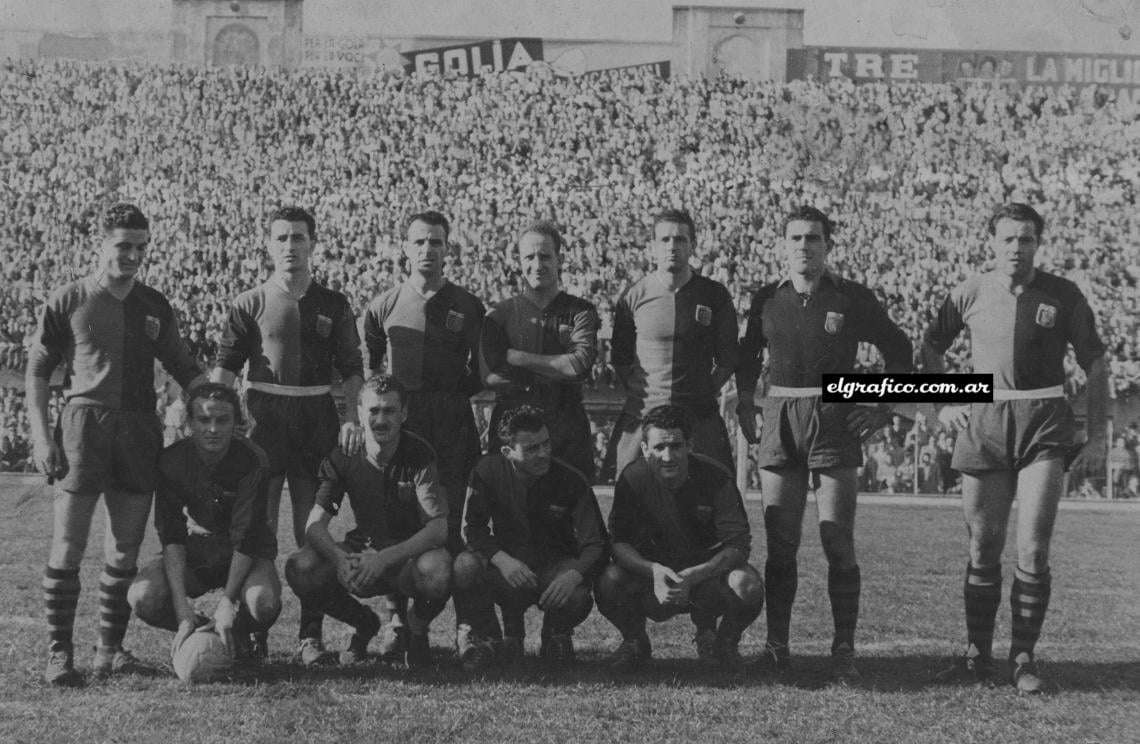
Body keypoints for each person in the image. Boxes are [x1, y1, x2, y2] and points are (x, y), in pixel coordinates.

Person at [923, 203, 1107, 693]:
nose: (1016, 248)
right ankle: (976, 656)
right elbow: (929, 348)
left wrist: (1100, 434)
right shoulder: (970, 291)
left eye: (1025, 239)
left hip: (1044, 419)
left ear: (1037, 244)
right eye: (1008, 239)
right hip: (985, 416)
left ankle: (1023, 656)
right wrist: (943, 404)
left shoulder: (1063, 295)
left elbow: (1096, 362)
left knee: (1033, 544)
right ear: (992, 242)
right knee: (983, 544)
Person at [26, 202, 206, 685]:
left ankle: (110, 650)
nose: (132, 256)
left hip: (138, 429)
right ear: (101, 244)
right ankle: (60, 654)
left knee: (123, 550)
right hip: (84, 425)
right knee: (68, 546)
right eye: (123, 246)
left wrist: (210, 398)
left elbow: (182, 365)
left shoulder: (155, 305)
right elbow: (39, 369)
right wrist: (42, 435)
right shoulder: (69, 299)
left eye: (140, 247)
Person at [735, 206, 912, 680]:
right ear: (782, 245)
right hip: (780, 417)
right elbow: (748, 356)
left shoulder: (852, 298)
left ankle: (844, 649)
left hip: (834, 415)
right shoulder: (766, 300)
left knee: (836, 537)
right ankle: (777, 648)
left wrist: (881, 407)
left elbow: (899, 349)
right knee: (781, 540)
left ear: (827, 245)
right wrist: (744, 401)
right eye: (795, 238)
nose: (803, 246)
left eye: (813, 238)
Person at [212, 206, 365, 666]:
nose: (290, 246)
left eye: (298, 237)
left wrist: (351, 415)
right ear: (269, 244)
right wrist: (216, 413)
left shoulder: (334, 303)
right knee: (257, 526)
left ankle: (310, 636)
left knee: (310, 531)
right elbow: (224, 367)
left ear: (313, 243)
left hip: (316, 414)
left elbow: (354, 370)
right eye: (281, 237)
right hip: (264, 418)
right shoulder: (249, 302)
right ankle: (254, 631)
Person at [363, 211, 484, 657]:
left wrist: (447, 398)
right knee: (399, 520)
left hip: (453, 425)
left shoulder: (468, 305)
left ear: (447, 248)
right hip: (404, 427)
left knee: (457, 523)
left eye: (436, 242)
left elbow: (480, 371)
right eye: (419, 242)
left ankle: (466, 627)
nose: (427, 250)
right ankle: (399, 623)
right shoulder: (382, 306)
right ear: (405, 248)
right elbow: (369, 370)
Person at [284, 374, 452, 667]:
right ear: (360, 413)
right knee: (301, 567)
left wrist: (385, 558)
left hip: (406, 560)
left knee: (438, 569)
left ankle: (415, 627)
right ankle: (363, 623)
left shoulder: (419, 454)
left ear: (404, 414)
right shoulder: (344, 456)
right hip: (363, 554)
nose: (381, 419)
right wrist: (338, 558)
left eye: (389, 410)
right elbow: (314, 525)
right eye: (373, 411)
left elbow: (438, 528)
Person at [596, 404, 764, 672]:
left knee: (748, 584)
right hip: (652, 579)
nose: (667, 456)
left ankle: (723, 643)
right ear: (644, 449)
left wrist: (695, 575)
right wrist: (653, 571)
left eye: (675, 446)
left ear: (690, 445)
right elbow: (618, 542)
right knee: (609, 580)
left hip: (704, 579)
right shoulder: (632, 478)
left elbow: (738, 544)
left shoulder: (716, 477)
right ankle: (635, 641)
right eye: (659, 448)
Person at [128, 383, 281, 662]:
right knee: (143, 596)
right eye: (204, 419)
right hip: (197, 549)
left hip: (246, 553)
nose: (213, 429)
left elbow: (245, 538)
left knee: (264, 602)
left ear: (237, 423)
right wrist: (182, 611)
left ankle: (241, 634)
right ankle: (200, 630)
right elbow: (172, 537)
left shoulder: (253, 460)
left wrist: (226, 604)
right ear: (189, 423)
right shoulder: (171, 461)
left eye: (222, 420)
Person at [452, 405, 608, 673]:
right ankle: (489, 638)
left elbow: (596, 543)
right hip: (509, 570)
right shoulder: (487, 471)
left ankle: (555, 634)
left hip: (552, 572)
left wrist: (573, 575)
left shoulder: (571, 479)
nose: (544, 453)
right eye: (532, 448)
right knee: (465, 565)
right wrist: (501, 560)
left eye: (546, 443)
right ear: (507, 451)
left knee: (578, 592)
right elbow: (470, 528)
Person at [605, 209, 738, 478]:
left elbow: (728, 360)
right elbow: (620, 360)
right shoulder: (633, 296)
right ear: (653, 246)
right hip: (644, 416)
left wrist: (702, 392)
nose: (672, 246)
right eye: (664, 240)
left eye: (679, 239)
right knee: (635, 503)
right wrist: (647, 393)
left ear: (692, 245)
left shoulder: (714, 294)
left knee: (708, 503)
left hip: (699, 418)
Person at [479, 220, 599, 479]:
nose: (537, 264)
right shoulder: (498, 314)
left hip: (567, 429)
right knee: (510, 512)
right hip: (512, 430)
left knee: (572, 511)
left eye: (545, 256)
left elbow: (578, 365)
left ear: (560, 259)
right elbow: (489, 376)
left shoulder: (581, 311)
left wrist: (518, 357)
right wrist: (555, 369)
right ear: (518, 261)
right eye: (529, 256)